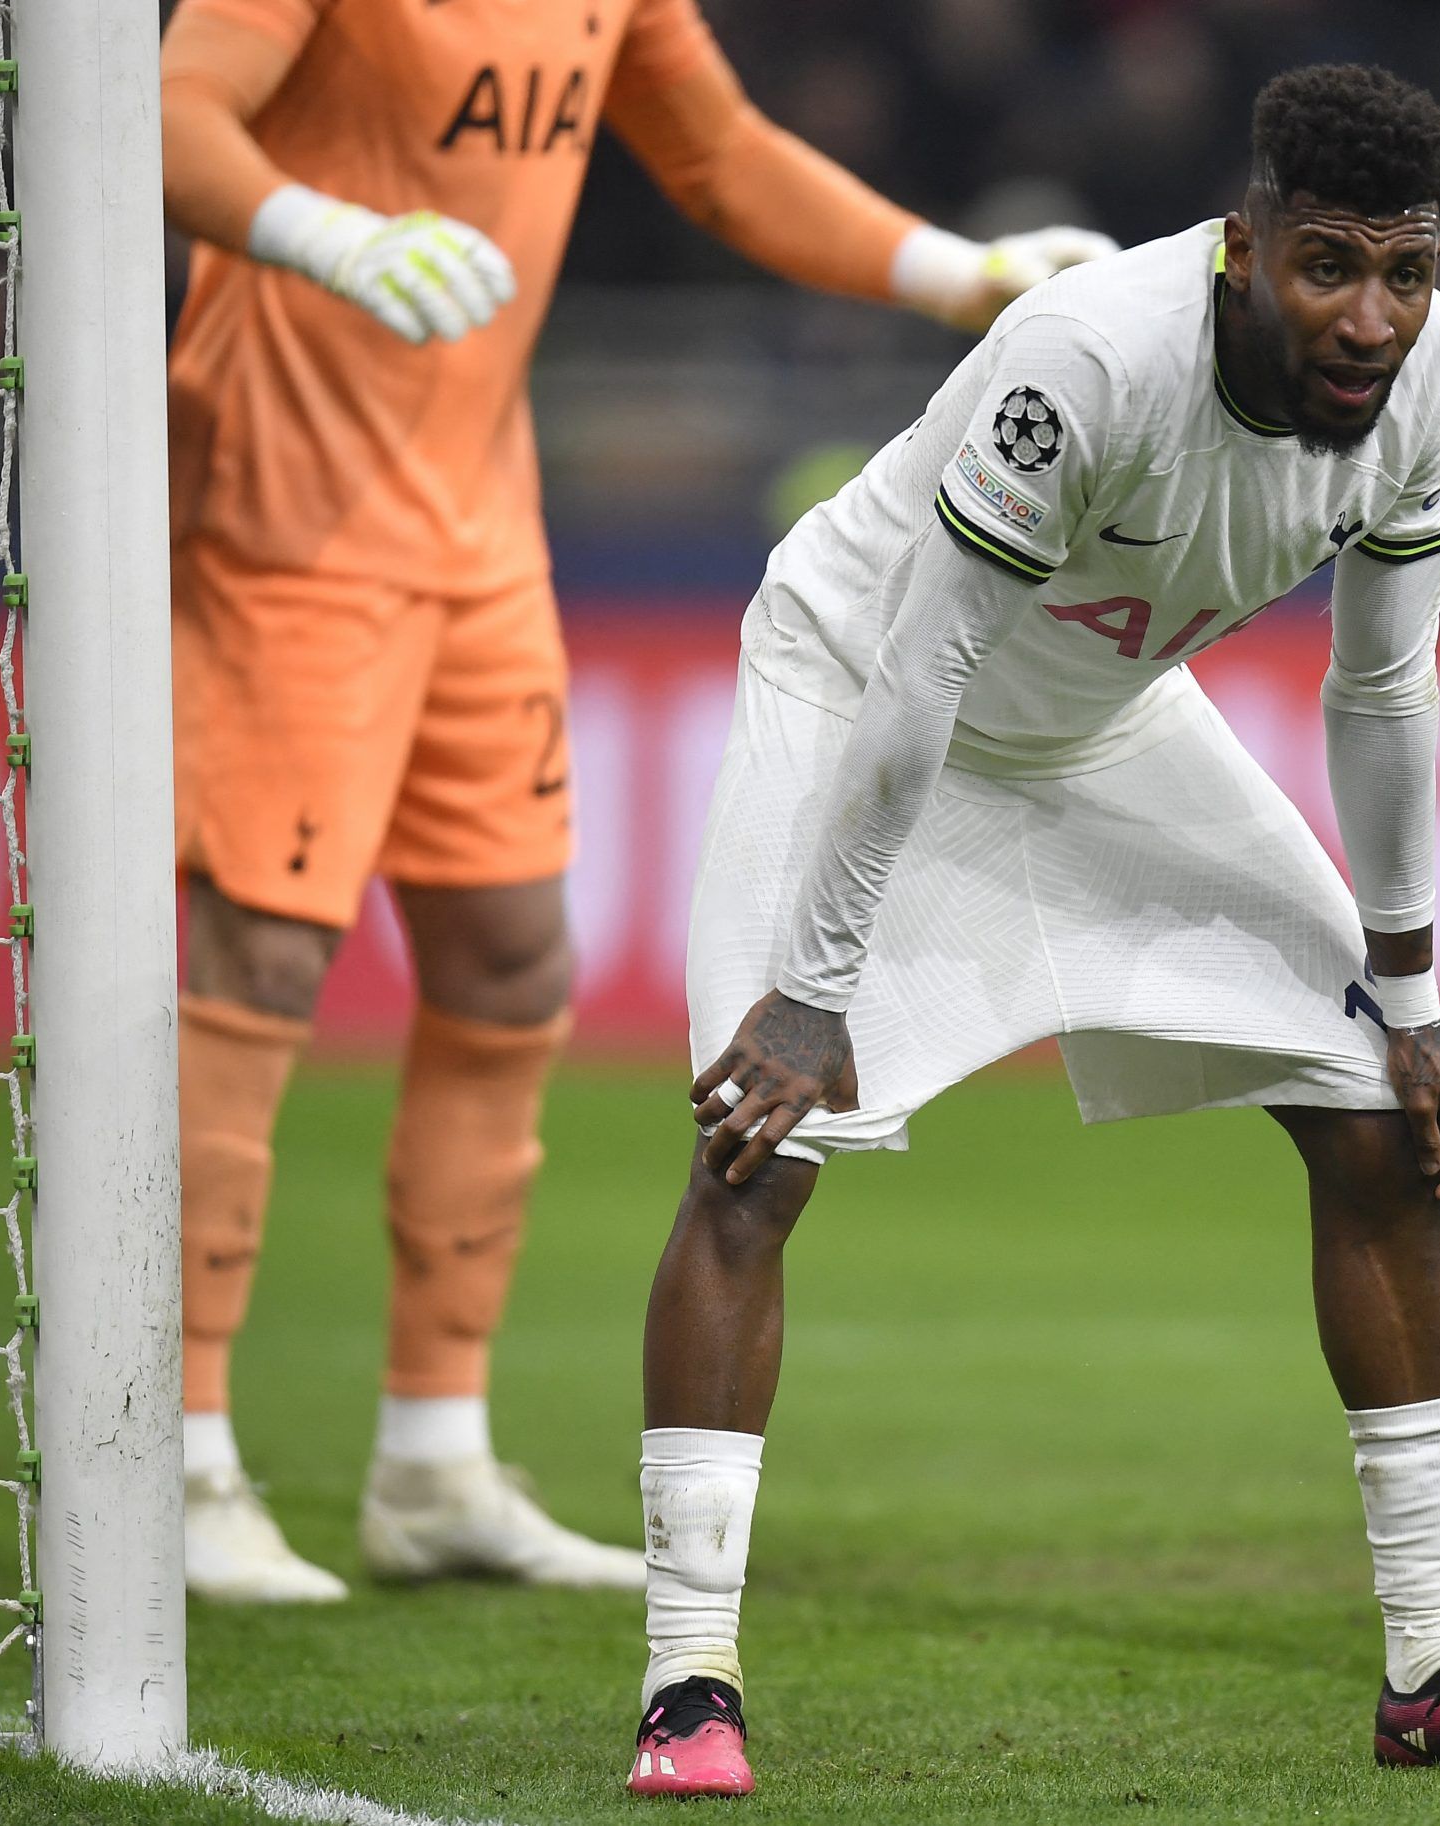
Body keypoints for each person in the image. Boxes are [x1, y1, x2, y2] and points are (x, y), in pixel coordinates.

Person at [625, 64, 1440, 1797]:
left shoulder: (1430, 377)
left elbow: (1384, 682)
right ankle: (687, 1684)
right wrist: (810, 990)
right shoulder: (1092, 353)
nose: (1373, 316)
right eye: (1332, 265)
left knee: (1380, 1119)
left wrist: (1411, 995)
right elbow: (921, 672)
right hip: (861, 693)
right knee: (759, 1151)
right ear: (1243, 249)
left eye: (1407, 272)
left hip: (1104, 721)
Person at [158, 0, 1113, 1604]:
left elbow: (722, 157)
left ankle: (433, 1459)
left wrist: (964, 275)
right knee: (258, 959)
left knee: (511, 961)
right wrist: (321, 233)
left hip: (474, 522)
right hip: (284, 509)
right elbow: (168, 116)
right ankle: (171, 1461)